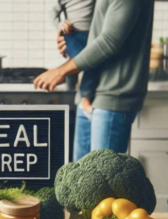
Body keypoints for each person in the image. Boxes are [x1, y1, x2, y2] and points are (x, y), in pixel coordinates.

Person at [35, 0, 155, 161]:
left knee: (102, 182)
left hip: (113, 97)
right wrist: (71, 41)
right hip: (90, 95)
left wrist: (61, 71)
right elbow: (95, 33)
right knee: (78, 179)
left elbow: (109, 41)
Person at [49, 0, 97, 115]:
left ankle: (79, 92)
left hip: (92, 34)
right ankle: (85, 97)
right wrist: (61, 25)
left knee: (90, 61)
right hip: (72, 35)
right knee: (84, 61)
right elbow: (52, 13)